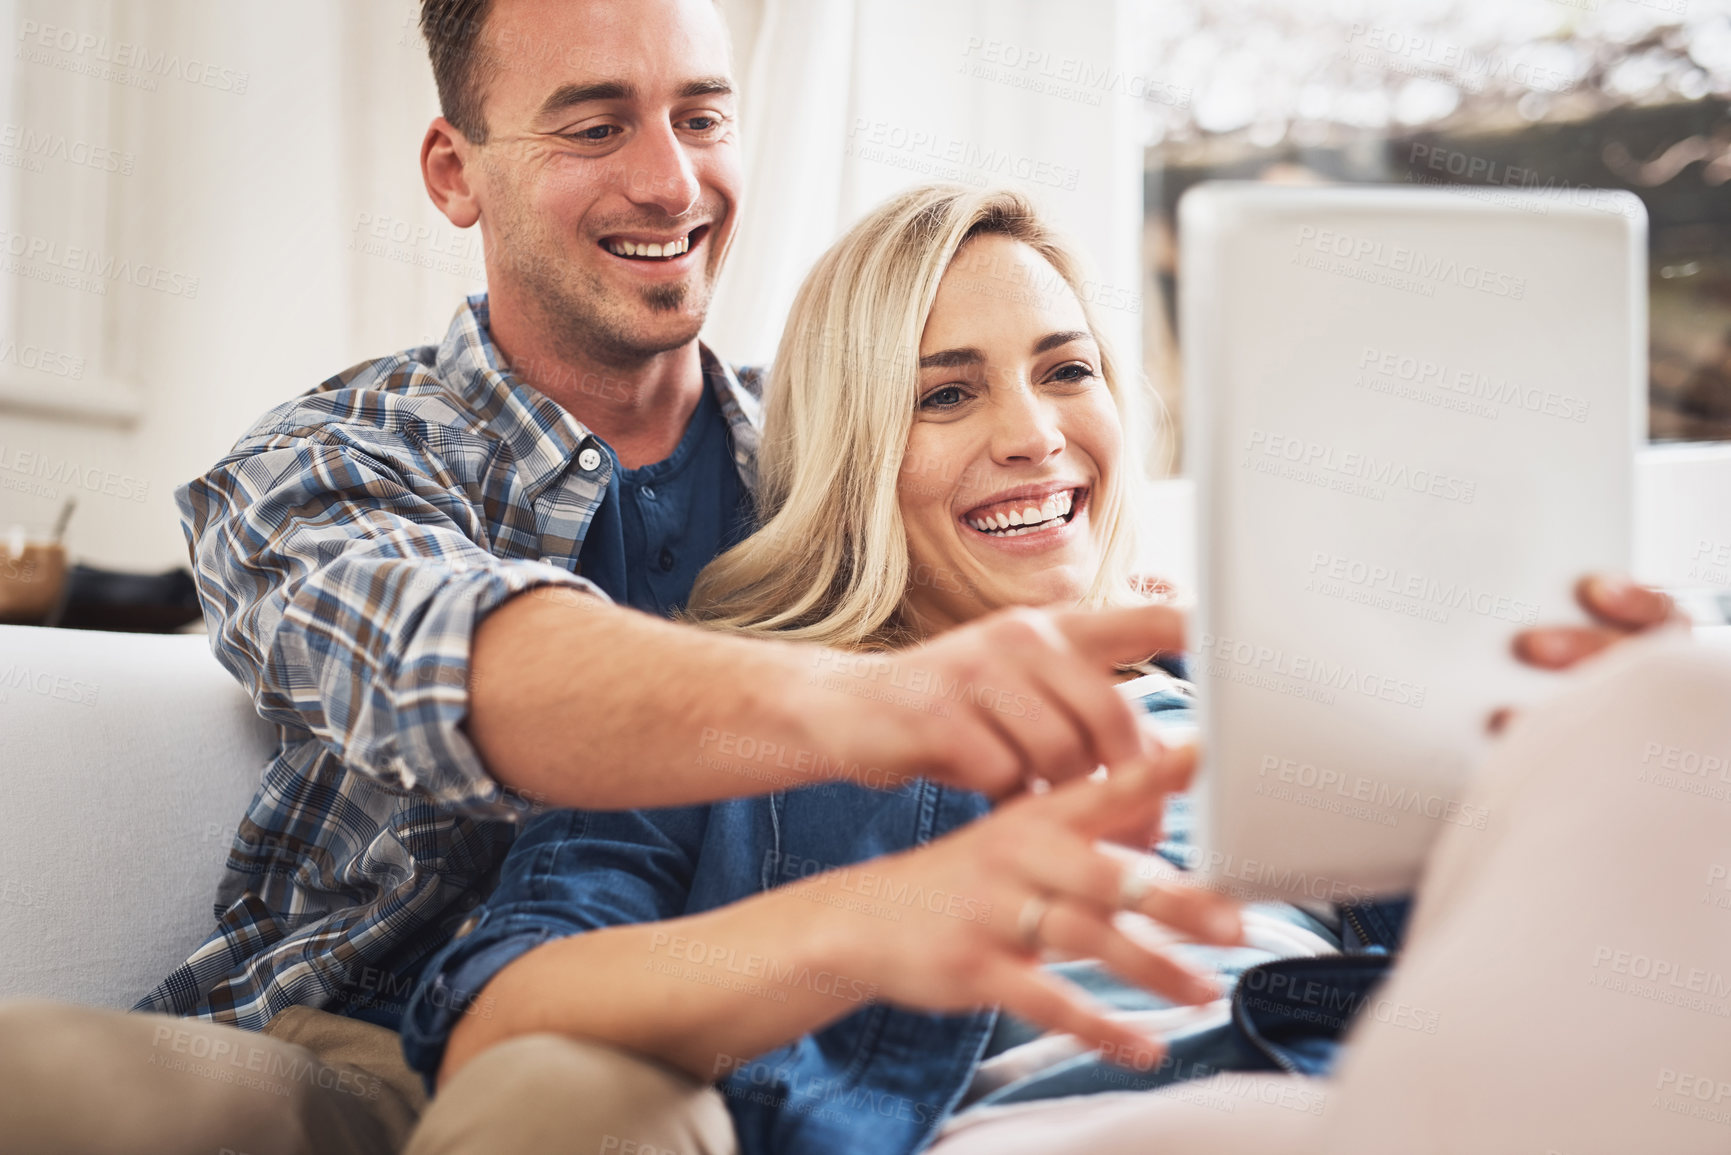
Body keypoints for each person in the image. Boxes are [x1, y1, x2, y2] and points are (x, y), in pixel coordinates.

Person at [0, 4, 1189, 1154]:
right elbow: (458, 660)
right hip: (345, 1048)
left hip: (683, 1049)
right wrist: (887, 705)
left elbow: (1040, 546)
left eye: (703, 117)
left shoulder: (842, 446)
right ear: (455, 171)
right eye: (594, 123)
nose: (671, 183)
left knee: (574, 1101)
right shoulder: (323, 463)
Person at [396, 183, 1720, 1155]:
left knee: (1676, 692)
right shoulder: (742, 703)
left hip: (1369, 1099)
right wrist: (878, 921)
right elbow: (495, 1010)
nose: (1033, 435)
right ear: (855, 450)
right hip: (1060, 1128)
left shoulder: (1263, 681)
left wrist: (1583, 764)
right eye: (946, 392)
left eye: (1064, 369)